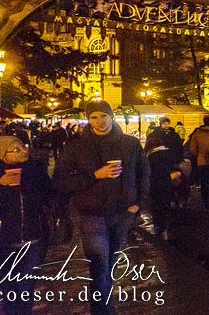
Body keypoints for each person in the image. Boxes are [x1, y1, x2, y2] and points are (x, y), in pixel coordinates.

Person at [53, 100, 149, 315]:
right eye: (94, 117)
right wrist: (96, 175)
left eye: (103, 116)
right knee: (99, 262)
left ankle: (104, 304)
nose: (99, 121)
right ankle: (102, 310)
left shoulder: (130, 143)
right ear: (88, 120)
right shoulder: (76, 147)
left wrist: (138, 204)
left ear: (111, 116)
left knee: (110, 261)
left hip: (123, 212)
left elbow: (144, 174)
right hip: (91, 213)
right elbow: (60, 182)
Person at [0, 135, 53, 315]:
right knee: (7, 286)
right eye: (16, 150)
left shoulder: (34, 170)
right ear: (2, 155)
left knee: (25, 286)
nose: (23, 151)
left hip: (33, 238)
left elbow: (50, 195)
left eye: (23, 147)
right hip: (1, 239)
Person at [145, 134, 183, 241]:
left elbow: (149, 171)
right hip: (173, 181)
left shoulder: (151, 156)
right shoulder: (170, 153)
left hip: (158, 183)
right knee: (171, 202)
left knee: (158, 206)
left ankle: (160, 228)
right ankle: (172, 226)